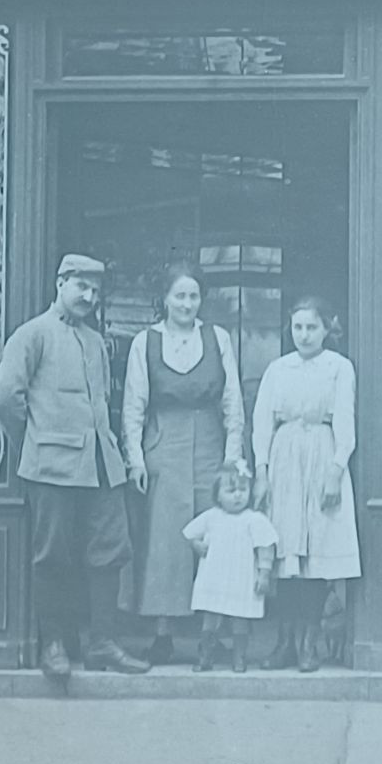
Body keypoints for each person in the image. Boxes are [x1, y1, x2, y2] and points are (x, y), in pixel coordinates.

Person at [0, 253, 151, 683]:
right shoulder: (32, 335)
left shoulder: (96, 341)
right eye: (81, 286)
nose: (89, 296)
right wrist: (35, 442)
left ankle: (102, 642)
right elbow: (6, 398)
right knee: (53, 556)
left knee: (111, 551)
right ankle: (54, 645)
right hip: (51, 468)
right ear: (60, 282)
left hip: (101, 465)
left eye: (96, 291)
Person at [122, 262, 246, 664]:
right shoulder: (146, 342)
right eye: (180, 295)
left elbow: (233, 402)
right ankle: (164, 633)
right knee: (166, 541)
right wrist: (136, 459)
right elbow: (133, 405)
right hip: (165, 445)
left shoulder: (217, 338)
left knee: (219, 539)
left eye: (194, 296)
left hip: (210, 443)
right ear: (165, 299)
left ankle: (217, 631)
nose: (187, 304)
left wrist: (232, 456)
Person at [251, 295, 360, 672]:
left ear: (327, 328)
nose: (304, 334)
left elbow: (344, 423)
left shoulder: (339, 368)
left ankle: (308, 644)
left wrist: (336, 470)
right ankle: (284, 641)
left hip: (321, 455)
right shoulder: (278, 369)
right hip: (284, 460)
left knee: (314, 554)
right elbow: (262, 422)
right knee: (285, 551)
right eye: (297, 327)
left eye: (311, 327)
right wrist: (261, 470)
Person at [183, 463, 278, 673]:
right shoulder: (211, 517)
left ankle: (239, 658)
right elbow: (190, 534)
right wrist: (198, 546)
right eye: (231, 491)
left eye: (243, 490)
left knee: (240, 619)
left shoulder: (254, 519)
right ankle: (205, 656)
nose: (238, 496)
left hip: (240, 579)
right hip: (215, 578)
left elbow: (266, 547)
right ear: (217, 495)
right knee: (210, 618)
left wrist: (264, 574)